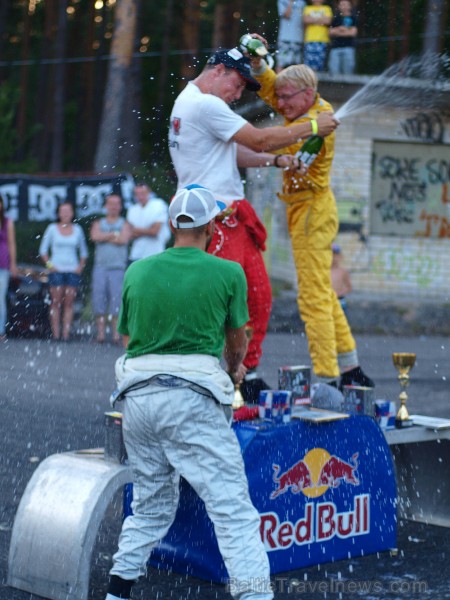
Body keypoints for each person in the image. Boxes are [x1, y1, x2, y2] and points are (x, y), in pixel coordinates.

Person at [105, 184, 273, 600]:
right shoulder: (227, 271)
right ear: (211, 225)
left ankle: (116, 591)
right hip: (193, 398)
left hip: (138, 401)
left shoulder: (138, 271)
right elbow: (238, 343)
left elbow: (127, 338)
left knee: (150, 507)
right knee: (233, 513)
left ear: (173, 224)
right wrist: (235, 370)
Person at [168, 46, 338, 402]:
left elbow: (235, 151)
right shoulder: (206, 104)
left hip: (232, 217)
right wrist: (311, 126)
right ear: (217, 71)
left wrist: (276, 163)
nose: (240, 93)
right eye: (238, 83)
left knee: (258, 298)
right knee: (222, 306)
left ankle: (248, 375)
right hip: (212, 221)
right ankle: (215, 379)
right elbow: (258, 137)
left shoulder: (191, 100)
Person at [249, 38, 374, 391]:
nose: (280, 102)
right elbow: (272, 86)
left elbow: (274, 141)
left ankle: (328, 377)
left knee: (312, 296)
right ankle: (351, 369)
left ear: (308, 94)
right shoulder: (304, 105)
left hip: (312, 213)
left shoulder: (319, 128)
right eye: (282, 96)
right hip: (309, 210)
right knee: (324, 292)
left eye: (288, 98)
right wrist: (258, 62)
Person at [39, 201, 88, 341]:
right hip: (56, 270)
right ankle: (56, 334)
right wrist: (50, 266)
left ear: (72, 213)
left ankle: (65, 334)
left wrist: (80, 266)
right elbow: (43, 250)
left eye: (68, 211)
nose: (65, 214)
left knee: (69, 303)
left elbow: (84, 252)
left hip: (72, 270)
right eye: (63, 211)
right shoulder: (52, 229)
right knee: (55, 302)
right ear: (58, 213)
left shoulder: (78, 229)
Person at [90, 194, 131, 343]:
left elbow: (124, 239)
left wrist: (105, 236)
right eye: (111, 203)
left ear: (120, 206)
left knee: (116, 301)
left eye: (116, 204)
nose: (113, 206)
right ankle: (100, 334)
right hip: (100, 267)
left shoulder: (125, 223)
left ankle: (115, 334)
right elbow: (95, 236)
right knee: (99, 300)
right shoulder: (98, 222)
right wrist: (114, 234)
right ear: (106, 206)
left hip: (118, 268)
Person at [126, 182, 170, 262]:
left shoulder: (159, 204)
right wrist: (148, 229)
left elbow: (154, 231)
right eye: (137, 194)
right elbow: (129, 234)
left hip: (156, 254)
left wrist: (137, 230)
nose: (140, 197)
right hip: (136, 255)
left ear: (149, 193)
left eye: (142, 193)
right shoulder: (132, 209)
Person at [0, 195, 17, 341]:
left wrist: (13, 264)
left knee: (0, 299)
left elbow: (11, 243)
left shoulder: (7, 222)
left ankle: (1, 330)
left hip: (2, 264)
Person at [328, 0, 358, 76]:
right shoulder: (336, 18)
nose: (344, 6)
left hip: (348, 47)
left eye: (346, 4)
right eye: (342, 4)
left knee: (348, 71)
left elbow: (353, 33)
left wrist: (338, 31)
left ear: (350, 6)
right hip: (335, 47)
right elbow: (330, 32)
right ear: (338, 6)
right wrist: (342, 29)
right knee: (334, 71)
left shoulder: (353, 18)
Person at [302, 0, 333, 72]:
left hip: (323, 40)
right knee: (308, 64)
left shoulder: (327, 8)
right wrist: (321, 19)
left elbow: (328, 21)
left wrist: (312, 20)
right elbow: (305, 20)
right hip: (309, 39)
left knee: (320, 63)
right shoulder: (307, 8)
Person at [276, 0, 305, 72]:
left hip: (298, 39)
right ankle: (278, 82)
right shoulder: (282, 1)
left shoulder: (302, 3)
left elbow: (304, 21)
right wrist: (291, 2)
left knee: (296, 66)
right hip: (285, 38)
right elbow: (287, 15)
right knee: (281, 63)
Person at [331, 243, 352, 314]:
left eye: (335, 255)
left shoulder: (343, 271)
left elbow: (349, 287)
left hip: (340, 301)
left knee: (340, 322)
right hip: (327, 301)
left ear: (340, 257)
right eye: (330, 255)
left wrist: (339, 293)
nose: (333, 257)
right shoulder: (324, 271)